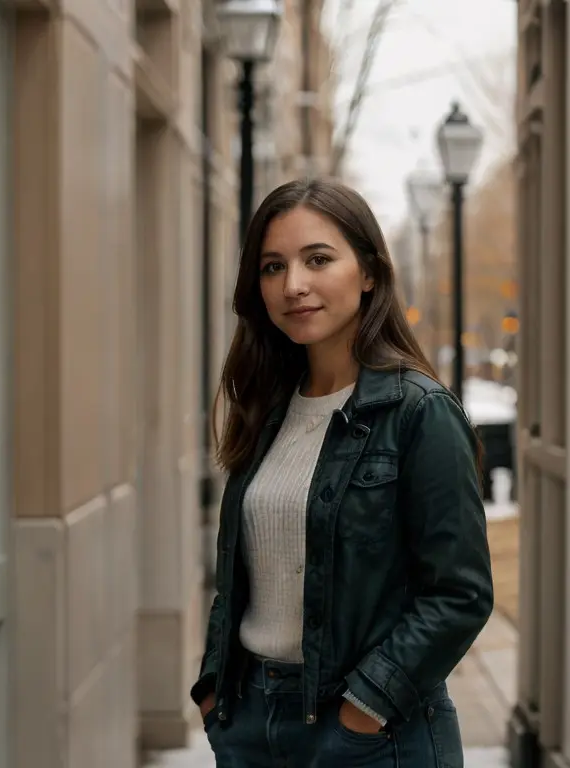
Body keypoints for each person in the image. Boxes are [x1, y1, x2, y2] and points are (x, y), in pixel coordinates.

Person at [191, 177, 493, 767]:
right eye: (273, 266)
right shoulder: (268, 408)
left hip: (372, 734)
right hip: (253, 724)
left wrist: (364, 710)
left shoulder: (418, 412)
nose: (293, 285)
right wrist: (214, 687)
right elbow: (243, 578)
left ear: (371, 272)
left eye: (318, 259)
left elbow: (460, 592)